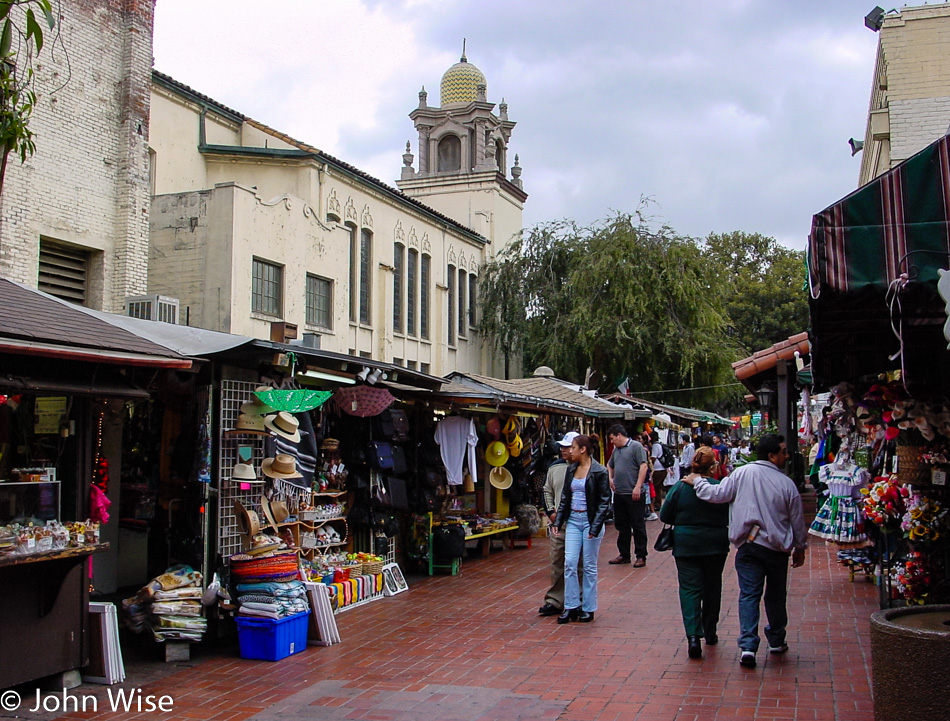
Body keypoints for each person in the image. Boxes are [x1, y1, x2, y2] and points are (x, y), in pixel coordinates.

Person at [683, 434, 807, 669]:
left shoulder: (742, 473)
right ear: (772, 455)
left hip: (748, 546)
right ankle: (776, 639)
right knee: (776, 595)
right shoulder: (786, 483)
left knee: (749, 594)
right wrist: (800, 547)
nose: (787, 455)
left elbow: (717, 495)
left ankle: (748, 647)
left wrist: (697, 481)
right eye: (783, 451)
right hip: (777, 549)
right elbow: (797, 520)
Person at [659, 446, 729, 659]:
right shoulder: (719, 488)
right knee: (712, 586)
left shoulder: (680, 489)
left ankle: (692, 636)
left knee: (689, 589)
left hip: (686, 543)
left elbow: (665, 515)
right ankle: (710, 630)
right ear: (713, 466)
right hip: (715, 544)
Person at [552, 434, 611, 623]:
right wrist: (558, 521)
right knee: (569, 562)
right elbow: (565, 499)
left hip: (590, 521)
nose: (570, 451)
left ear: (583, 450)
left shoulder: (599, 471)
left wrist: (595, 525)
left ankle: (588, 607)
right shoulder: (571, 470)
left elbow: (604, 502)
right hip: (573, 521)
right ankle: (571, 605)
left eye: (573, 448)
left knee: (589, 565)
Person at [538, 431, 580, 616]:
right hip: (559, 524)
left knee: (578, 563)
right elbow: (546, 490)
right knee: (557, 561)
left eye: (568, 447)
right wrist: (551, 512)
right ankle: (556, 599)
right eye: (562, 447)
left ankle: (578, 599)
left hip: (579, 522)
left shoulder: (588, 468)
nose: (563, 450)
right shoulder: (555, 468)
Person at [605, 424, 650, 568]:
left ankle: (641, 555)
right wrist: (610, 478)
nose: (612, 442)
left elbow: (643, 466)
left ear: (619, 435)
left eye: (612, 439)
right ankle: (624, 554)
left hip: (634, 493)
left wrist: (637, 486)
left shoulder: (636, 447)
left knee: (637, 525)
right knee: (622, 525)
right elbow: (609, 465)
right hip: (620, 493)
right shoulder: (616, 451)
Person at [649, 431, 668, 514]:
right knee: (658, 487)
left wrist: (649, 465)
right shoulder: (659, 445)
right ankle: (658, 503)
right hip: (662, 469)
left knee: (656, 487)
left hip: (657, 469)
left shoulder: (655, 446)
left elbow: (653, 458)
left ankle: (657, 504)